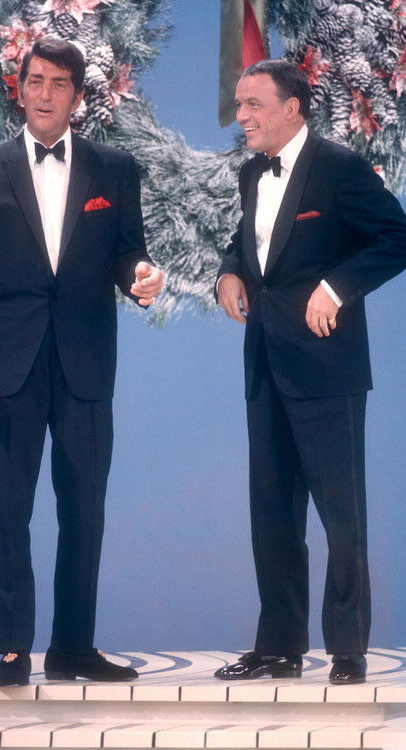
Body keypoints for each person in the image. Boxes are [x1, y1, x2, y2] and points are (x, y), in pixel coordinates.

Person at [0, 37, 163, 687]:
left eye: (58, 84)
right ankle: (13, 649)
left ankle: (72, 647)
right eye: (35, 81)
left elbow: (128, 252)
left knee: (84, 509)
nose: (44, 94)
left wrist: (142, 276)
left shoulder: (113, 168)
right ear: (20, 89)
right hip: (9, 364)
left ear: (77, 96)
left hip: (86, 362)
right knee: (8, 508)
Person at [214, 59, 406, 684]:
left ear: (292, 107)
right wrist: (229, 271)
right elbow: (251, 241)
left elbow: (396, 237)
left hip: (328, 367)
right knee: (272, 513)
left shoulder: (339, 168)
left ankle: (347, 650)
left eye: (253, 104)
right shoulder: (251, 172)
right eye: (239, 104)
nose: (241, 116)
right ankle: (278, 646)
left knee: (341, 517)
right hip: (266, 363)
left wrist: (337, 287)